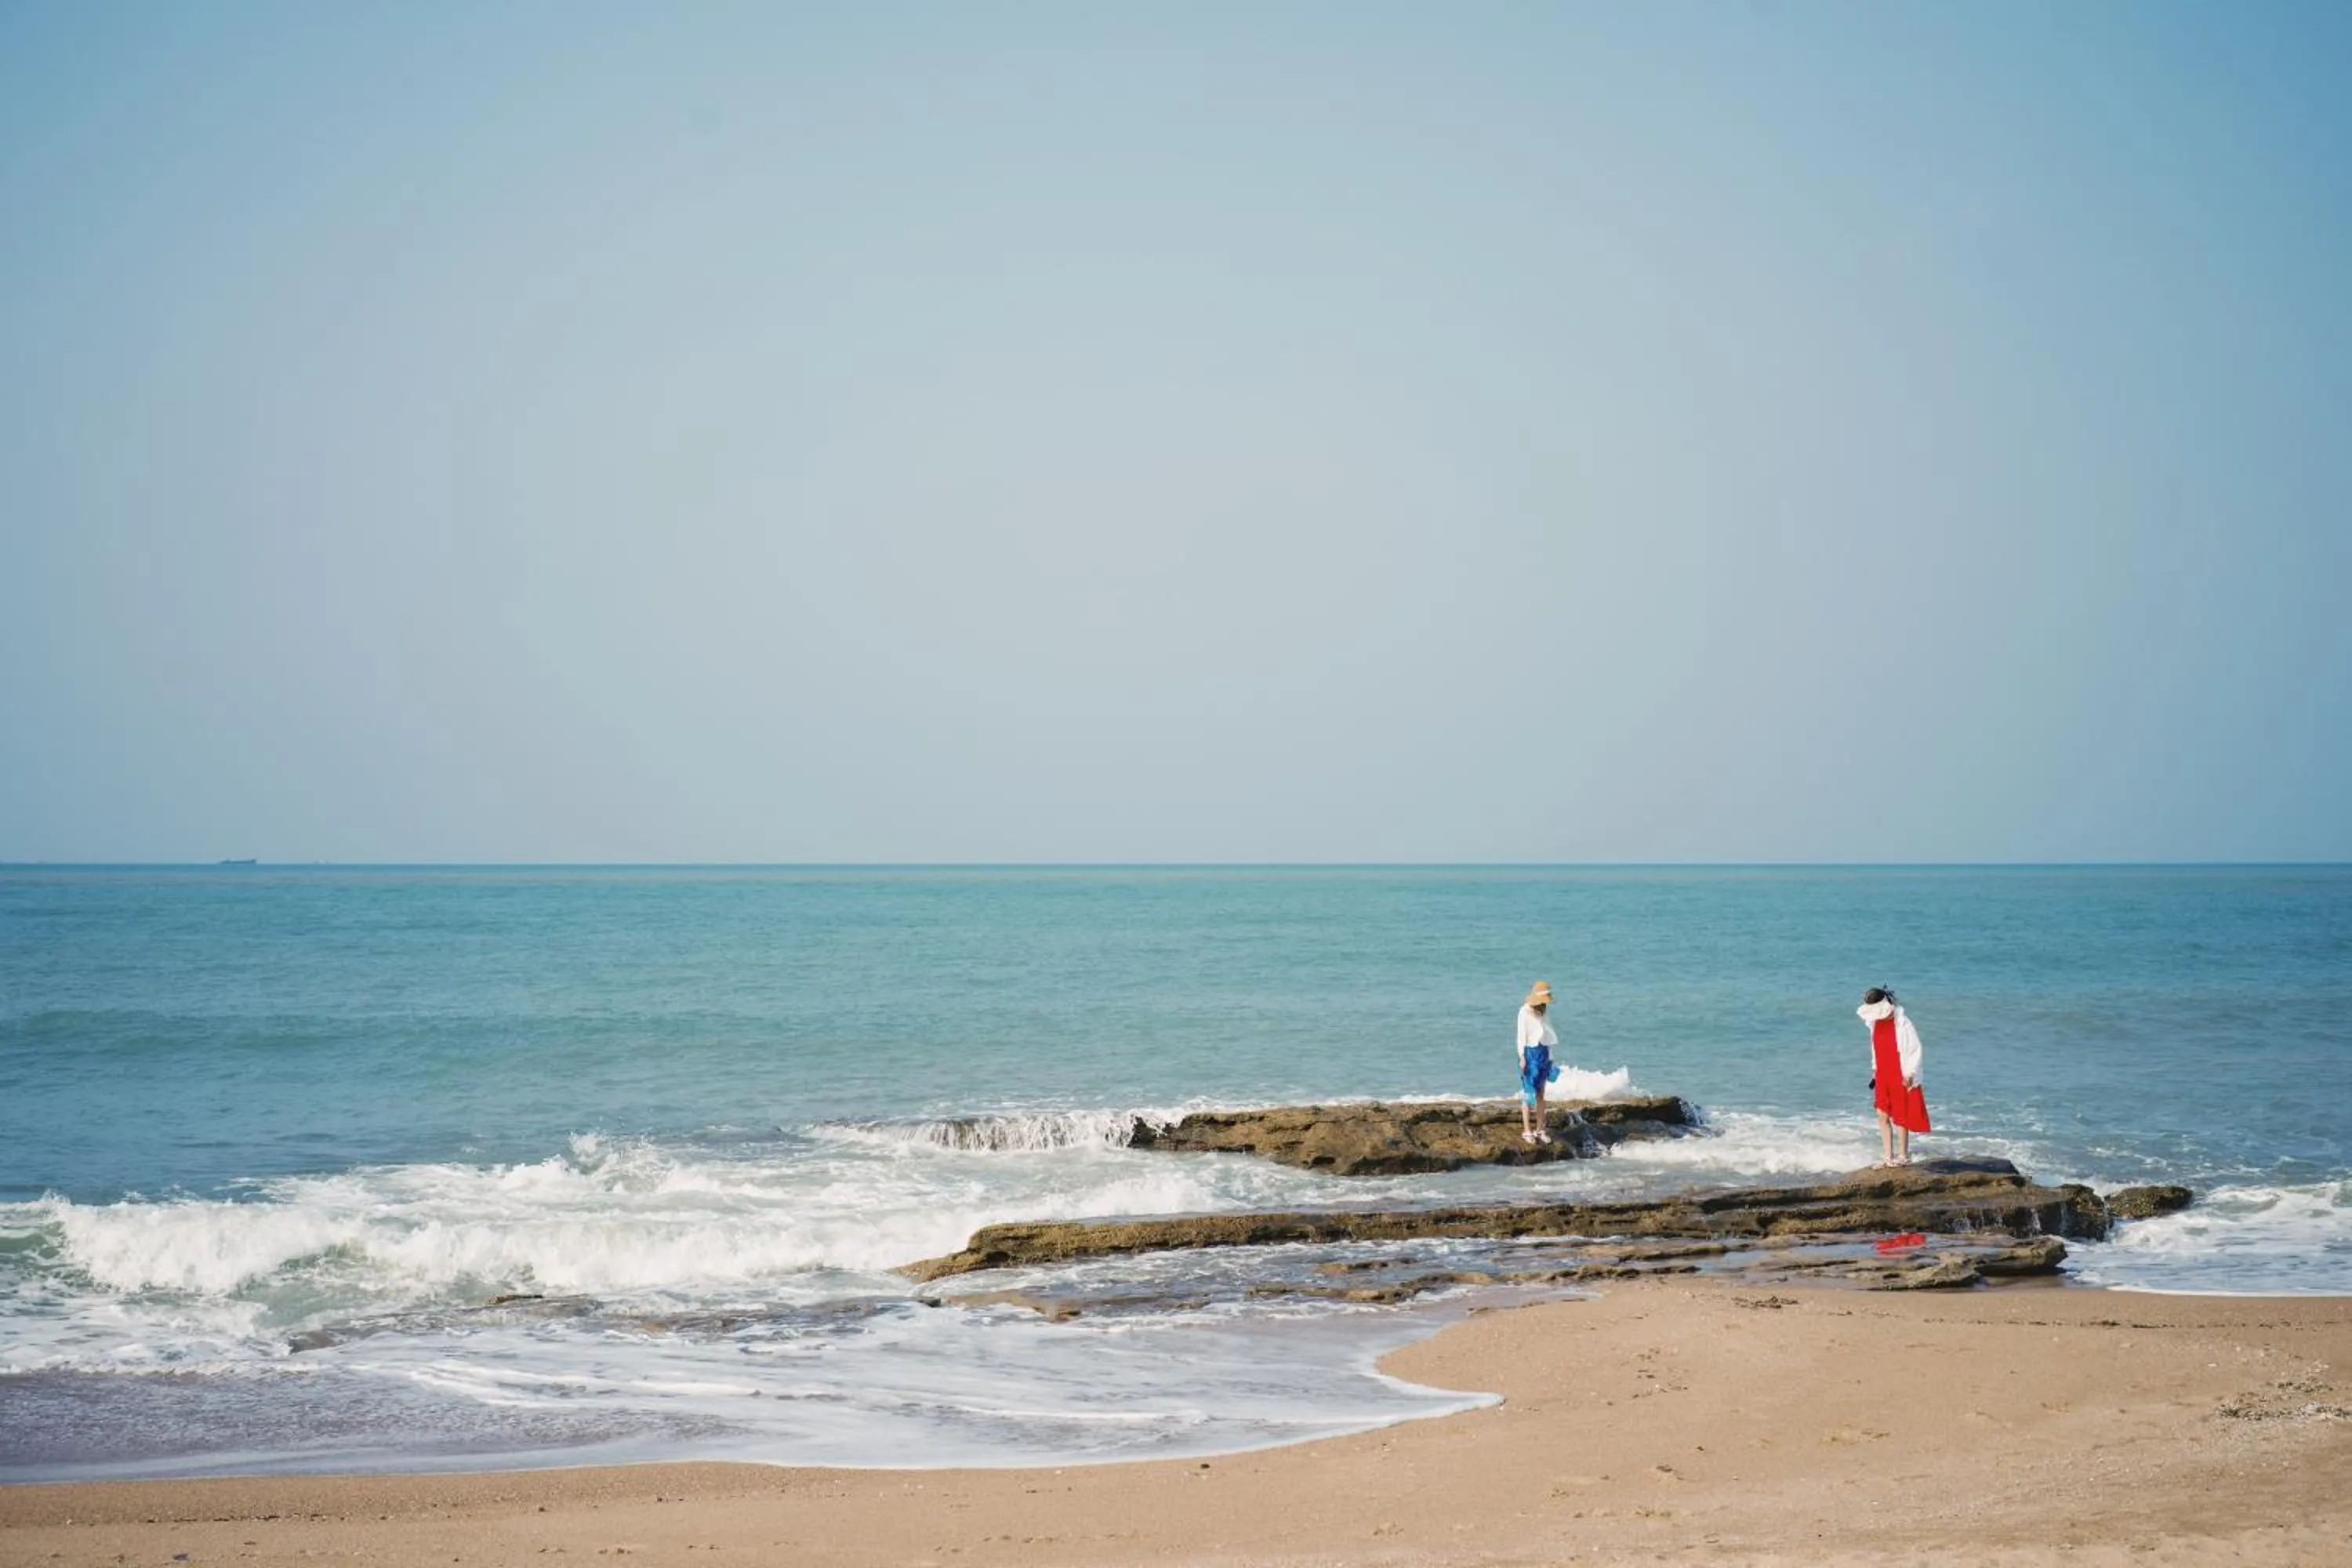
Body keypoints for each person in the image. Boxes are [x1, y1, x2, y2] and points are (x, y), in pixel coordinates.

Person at [1858, 985, 1930, 1166]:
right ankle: (1888, 1155)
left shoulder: (1903, 1023)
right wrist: (1874, 1070)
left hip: (1900, 1073)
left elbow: (1915, 1049)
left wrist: (1911, 1073)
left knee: (1901, 1116)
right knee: (1882, 1115)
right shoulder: (1874, 1023)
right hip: (1882, 1073)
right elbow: (1876, 1049)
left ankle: (1902, 1156)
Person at [1516, 981, 1561, 1144]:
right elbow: (1521, 1036)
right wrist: (1522, 1056)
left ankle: (1540, 1129)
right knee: (1528, 1093)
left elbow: (1547, 1036)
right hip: (1530, 1053)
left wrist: (1551, 1057)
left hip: (1543, 1053)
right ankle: (1527, 1130)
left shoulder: (1543, 1012)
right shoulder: (1524, 1011)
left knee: (1541, 1093)